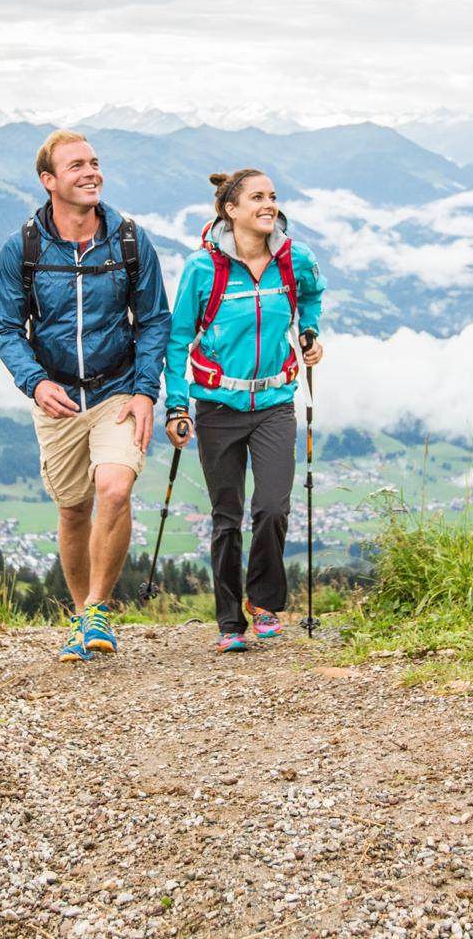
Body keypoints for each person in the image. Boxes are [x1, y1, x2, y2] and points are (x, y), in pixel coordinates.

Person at [0, 130, 171, 663]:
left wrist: (145, 392)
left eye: (94, 163)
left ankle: (96, 609)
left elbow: (154, 319)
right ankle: (79, 619)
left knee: (114, 488)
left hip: (118, 390)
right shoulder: (23, 248)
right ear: (48, 181)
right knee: (73, 510)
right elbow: (5, 327)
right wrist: (36, 382)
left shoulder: (129, 240)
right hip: (58, 399)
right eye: (77, 166)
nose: (92, 173)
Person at [162, 168, 325, 654]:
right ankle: (230, 622)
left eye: (272, 196)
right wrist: (176, 406)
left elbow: (312, 296)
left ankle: (264, 602)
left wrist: (310, 332)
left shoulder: (295, 259)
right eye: (257, 197)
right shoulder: (202, 269)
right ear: (230, 210)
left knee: (272, 507)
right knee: (227, 516)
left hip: (275, 402)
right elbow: (177, 340)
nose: (269, 204)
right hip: (217, 407)